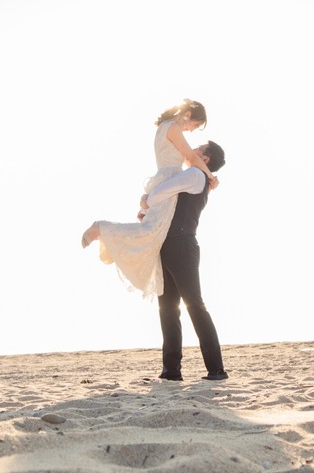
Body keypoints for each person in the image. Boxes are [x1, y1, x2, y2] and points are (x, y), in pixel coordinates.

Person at [81, 100, 218, 298]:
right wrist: (211, 177)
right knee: (150, 232)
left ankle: (102, 230)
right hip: (169, 180)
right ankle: (101, 228)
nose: (191, 130)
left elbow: (190, 159)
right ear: (187, 115)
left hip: (165, 179)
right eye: (194, 125)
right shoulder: (172, 128)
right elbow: (191, 158)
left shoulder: (167, 127)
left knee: (152, 233)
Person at [140, 140, 228, 381]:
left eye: (198, 148)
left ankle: (216, 370)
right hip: (169, 244)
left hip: (182, 245)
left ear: (205, 158)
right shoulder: (198, 175)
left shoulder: (195, 174)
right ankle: (171, 371)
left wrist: (147, 197)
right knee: (167, 307)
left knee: (194, 305)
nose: (192, 149)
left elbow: (161, 191)